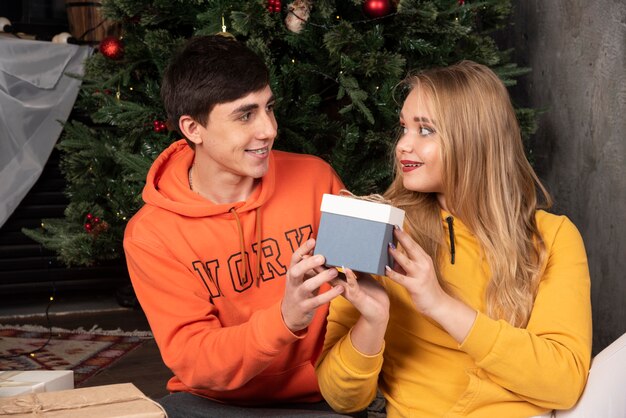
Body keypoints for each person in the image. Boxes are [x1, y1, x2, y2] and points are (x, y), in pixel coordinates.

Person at [315, 60, 593, 417]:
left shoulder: (552, 237)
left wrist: (439, 304)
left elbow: (564, 383)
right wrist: (373, 321)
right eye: (404, 128)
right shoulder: (378, 231)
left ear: (474, 138)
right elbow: (341, 397)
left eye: (425, 130)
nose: (403, 146)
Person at [123, 34, 349, 417]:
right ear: (194, 129)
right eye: (245, 115)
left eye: (269, 108)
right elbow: (195, 359)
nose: (268, 129)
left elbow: (360, 294)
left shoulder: (316, 179)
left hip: (322, 397)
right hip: (211, 404)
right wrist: (285, 319)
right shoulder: (152, 235)